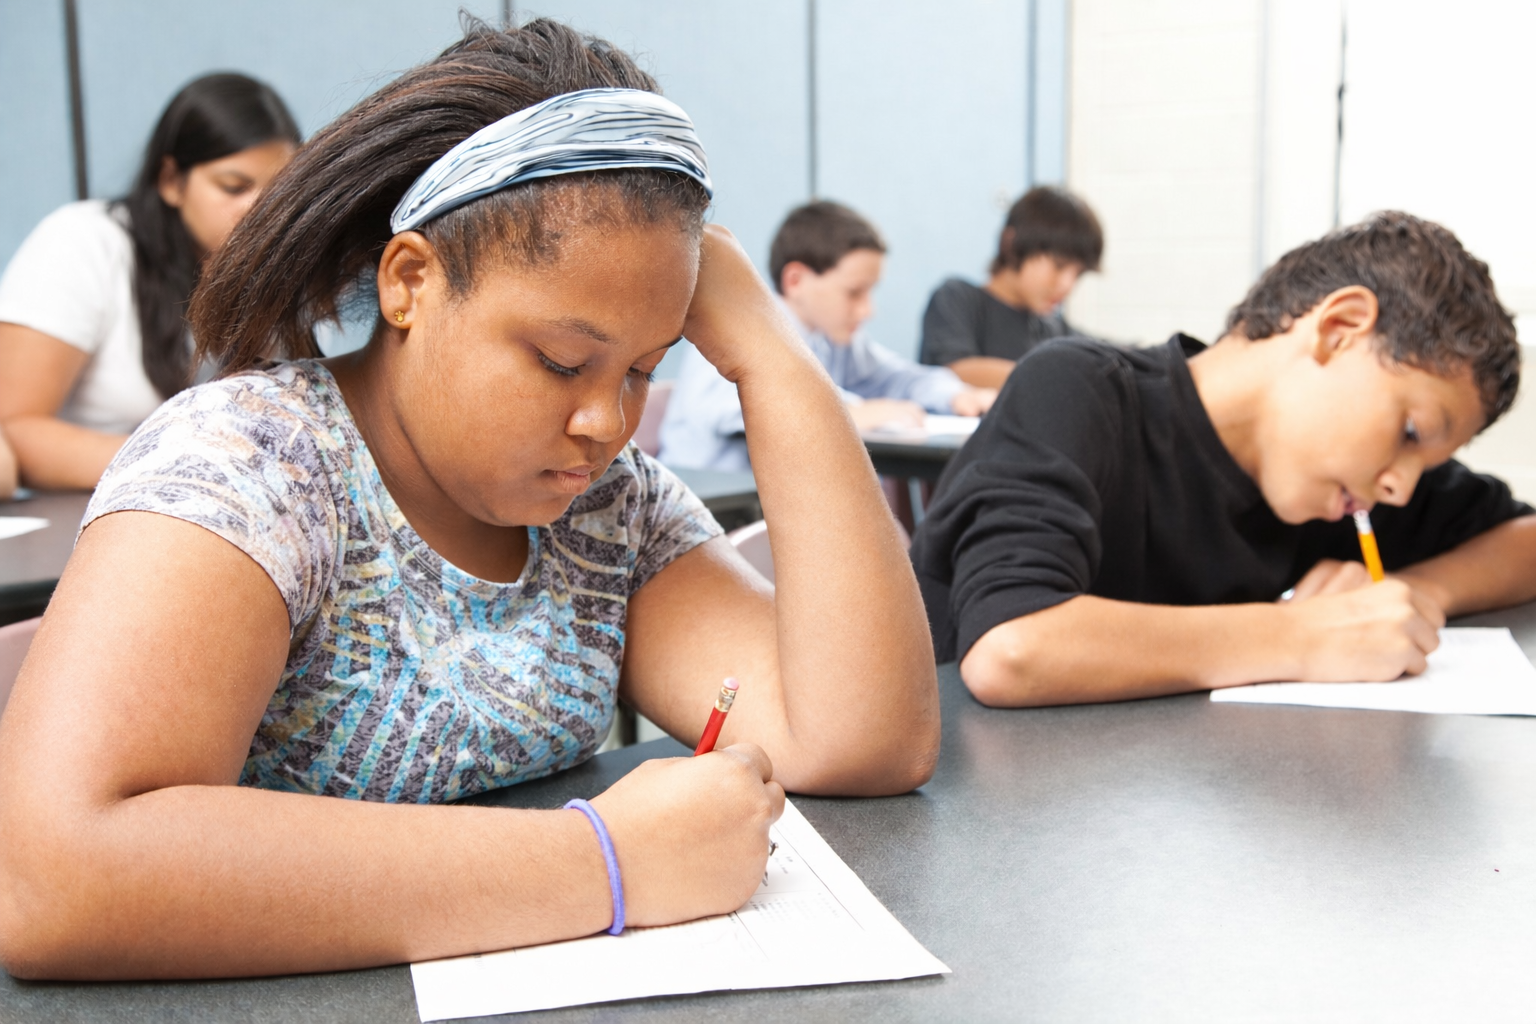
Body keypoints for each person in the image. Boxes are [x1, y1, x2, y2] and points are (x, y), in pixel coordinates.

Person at [0, 20, 938, 980]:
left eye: (643, 371)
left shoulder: (604, 511)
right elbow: (56, 878)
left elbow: (861, 740)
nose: (603, 423)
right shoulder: (253, 465)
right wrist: (604, 864)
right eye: (561, 361)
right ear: (411, 282)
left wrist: (771, 357)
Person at [909, 212, 1536, 707]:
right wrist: (1307, 636)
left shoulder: (1348, 487)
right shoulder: (1077, 390)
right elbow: (1011, 647)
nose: (1402, 487)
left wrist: (1410, 593)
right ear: (1339, 329)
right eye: (1409, 430)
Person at [0, 74, 299, 491]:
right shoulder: (84, 241)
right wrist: (196, 459)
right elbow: (14, 429)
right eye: (234, 186)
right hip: (84, 517)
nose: (258, 210)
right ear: (171, 181)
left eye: (278, 193)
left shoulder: (270, 270)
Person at [660, 200, 996, 472]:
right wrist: (847, 412)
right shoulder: (738, 329)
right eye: (854, 293)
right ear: (796, 281)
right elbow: (735, 411)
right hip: (714, 509)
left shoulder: (833, 339)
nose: (867, 311)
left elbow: (899, 377)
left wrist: (954, 395)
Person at [918, 186, 1102, 389]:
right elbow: (955, 372)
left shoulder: (1054, 329)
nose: (1067, 285)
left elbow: (1107, 355)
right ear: (1012, 244)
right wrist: (1056, 377)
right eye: (1059, 266)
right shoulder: (958, 298)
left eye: (1078, 274)